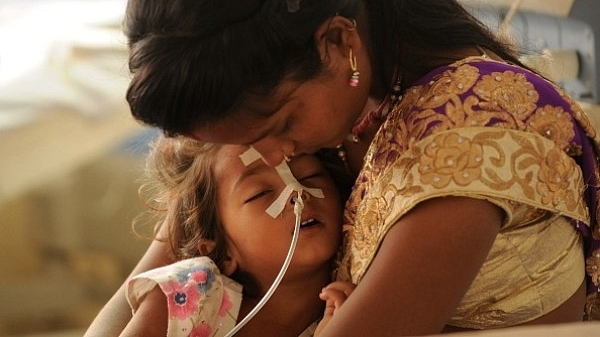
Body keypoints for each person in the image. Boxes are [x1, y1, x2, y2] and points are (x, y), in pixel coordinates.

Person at [87, 0, 600, 335]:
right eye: (244, 142)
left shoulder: (470, 133)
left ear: (339, 43)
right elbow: (120, 314)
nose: (274, 157)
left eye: (281, 124)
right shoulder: (301, 111)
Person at [118, 135, 353, 336]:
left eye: (309, 175)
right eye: (260, 193)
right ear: (221, 252)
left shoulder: (346, 306)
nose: (298, 194)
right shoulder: (191, 295)